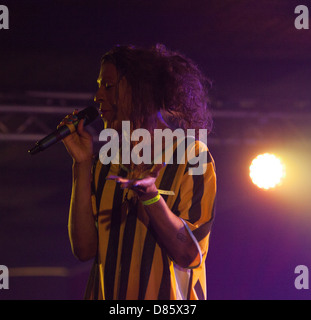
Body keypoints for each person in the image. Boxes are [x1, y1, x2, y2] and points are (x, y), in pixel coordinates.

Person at [59, 44, 217, 300]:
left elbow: (190, 253)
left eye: (108, 86)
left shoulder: (191, 154)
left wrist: (152, 198)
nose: (98, 96)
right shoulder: (106, 159)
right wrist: (81, 164)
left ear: (139, 89)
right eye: (99, 85)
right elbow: (84, 249)